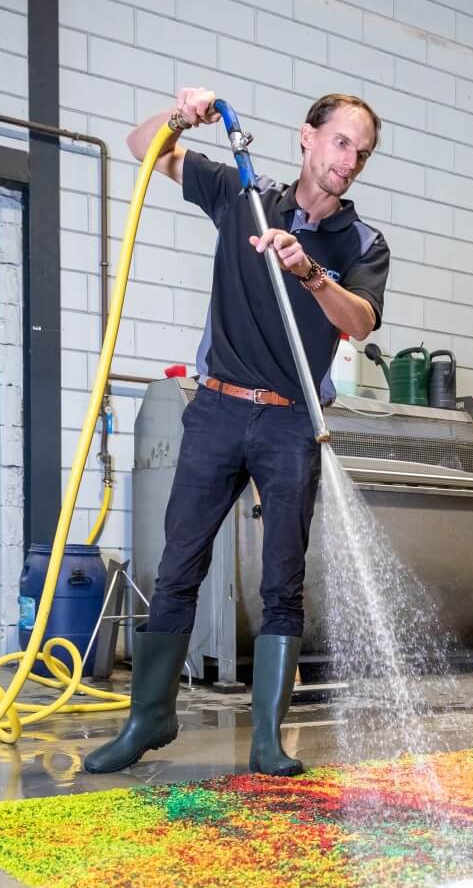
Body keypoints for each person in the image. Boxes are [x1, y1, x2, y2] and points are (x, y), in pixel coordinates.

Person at [85, 86, 389, 777]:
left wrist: (309, 272)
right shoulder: (241, 194)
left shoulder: (362, 242)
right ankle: (148, 720)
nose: (349, 162)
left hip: (290, 421)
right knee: (177, 567)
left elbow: (361, 320)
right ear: (306, 137)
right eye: (341, 143)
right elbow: (142, 149)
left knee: (281, 581)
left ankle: (265, 742)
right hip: (218, 408)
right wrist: (179, 114)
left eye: (362, 154)